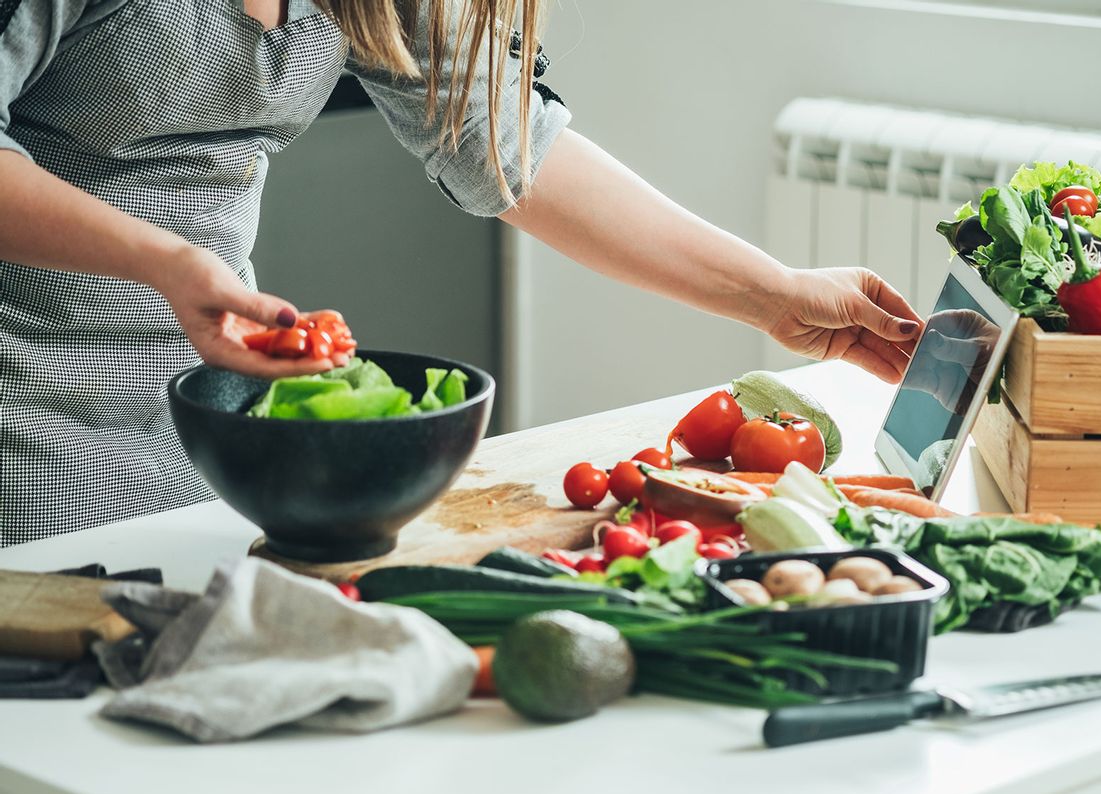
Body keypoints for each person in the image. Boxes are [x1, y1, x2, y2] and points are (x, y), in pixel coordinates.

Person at [0, 0, 921, 544]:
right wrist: (162, 260)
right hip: (25, 418)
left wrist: (775, 293)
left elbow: (508, 148)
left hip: (220, 420)